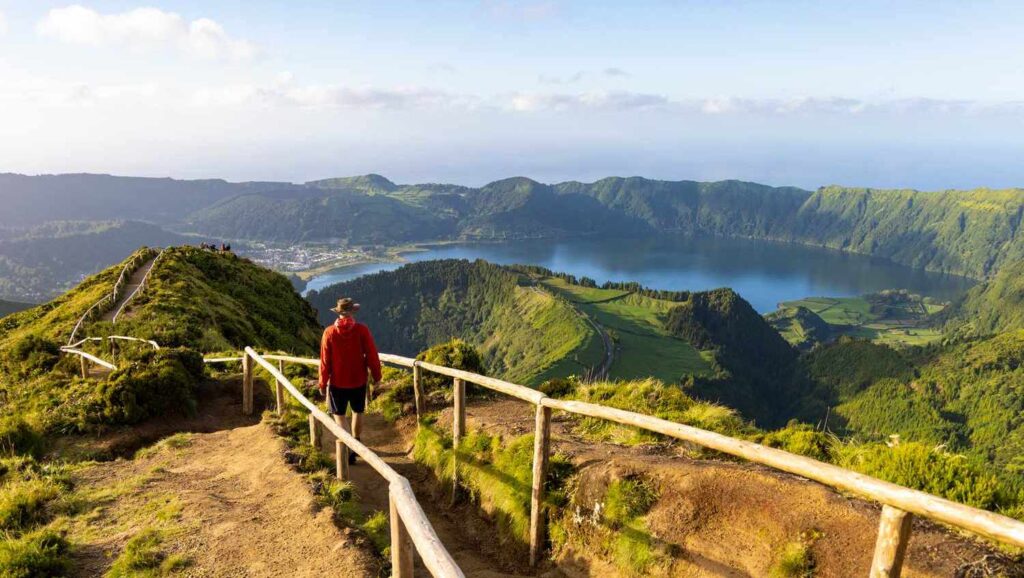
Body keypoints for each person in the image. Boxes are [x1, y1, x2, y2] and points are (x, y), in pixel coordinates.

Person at [318, 297, 381, 464]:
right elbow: (372, 355)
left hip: (337, 382)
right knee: (357, 411)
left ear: (338, 313)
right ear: (353, 312)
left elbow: (325, 361)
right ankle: (357, 441)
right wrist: (377, 376)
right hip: (359, 380)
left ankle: (349, 448)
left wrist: (322, 383)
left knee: (338, 415)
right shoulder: (362, 330)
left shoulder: (329, 332)